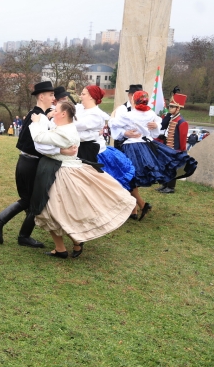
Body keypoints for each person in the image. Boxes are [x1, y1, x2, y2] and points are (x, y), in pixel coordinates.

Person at [28, 101, 136, 258]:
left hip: (62, 173)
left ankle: (62, 247)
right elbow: (50, 131)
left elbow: (39, 137)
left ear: (64, 114)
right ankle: (73, 243)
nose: (53, 112)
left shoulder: (65, 132)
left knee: (50, 210)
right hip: (67, 169)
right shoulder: (68, 127)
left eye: (56, 110)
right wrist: (46, 121)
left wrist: (36, 122)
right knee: (65, 210)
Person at [0, 81, 78, 247]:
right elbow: (42, 146)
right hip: (31, 163)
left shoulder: (37, 114)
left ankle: (19, 233)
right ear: (41, 96)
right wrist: (62, 151)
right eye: (51, 95)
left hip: (27, 161)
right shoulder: (39, 117)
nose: (53, 98)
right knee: (32, 201)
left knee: (31, 200)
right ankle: (1, 223)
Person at [108, 91, 197, 220]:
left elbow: (113, 124)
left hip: (131, 148)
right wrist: (156, 125)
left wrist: (116, 121)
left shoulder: (129, 115)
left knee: (130, 178)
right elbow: (156, 131)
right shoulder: (150, 114)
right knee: (132, 178)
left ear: (134, 101)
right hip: (146, 147)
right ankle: (135, 209)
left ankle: (141, 206)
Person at [76, 85, 136, 192]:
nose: (80, 96)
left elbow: (76, 127)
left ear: (91, 97)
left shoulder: (95, 115)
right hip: (82, 152)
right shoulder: (79, 108)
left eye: (83, 94)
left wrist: (64, 123)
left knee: (107, 187)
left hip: (96, 154)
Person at [155, 93, 190, 194]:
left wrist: (181, 151)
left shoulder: (182, 122)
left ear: (178, 108)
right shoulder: (171, 118)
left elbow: (183, 139)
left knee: (172, 169)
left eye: (172, 107)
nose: (169, 108)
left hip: (175, 149)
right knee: (165, 167)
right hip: (167, 148)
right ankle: (165, 185)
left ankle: (170, 187)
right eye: (169, 106)